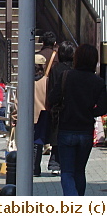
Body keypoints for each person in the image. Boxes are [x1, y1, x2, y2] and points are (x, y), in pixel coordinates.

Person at [48, 44, 107, 196]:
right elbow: (102, 108)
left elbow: (52, 99)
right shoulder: (98, 81)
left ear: (77, 58)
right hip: (86, 130)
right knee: (79, 171)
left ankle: (72, 204)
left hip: (66, 128)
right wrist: (89, 111)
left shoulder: (66, 76)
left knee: (67, 172)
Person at [45, 41, 76, 175]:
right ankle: (65, 164)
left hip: (57, 107)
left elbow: (51, 89)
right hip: (73, 108)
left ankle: (55, 163)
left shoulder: (55, 69)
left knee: (57, 136)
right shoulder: (75, 69)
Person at [33, 54, 49, 177]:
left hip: (28, 116)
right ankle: (35, 168)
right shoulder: (46, 81)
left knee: (27, 144)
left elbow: (17, 101)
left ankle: (30, 168)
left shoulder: (25, 80)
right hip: (43, 115)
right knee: (38, 143)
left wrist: (14, 116)